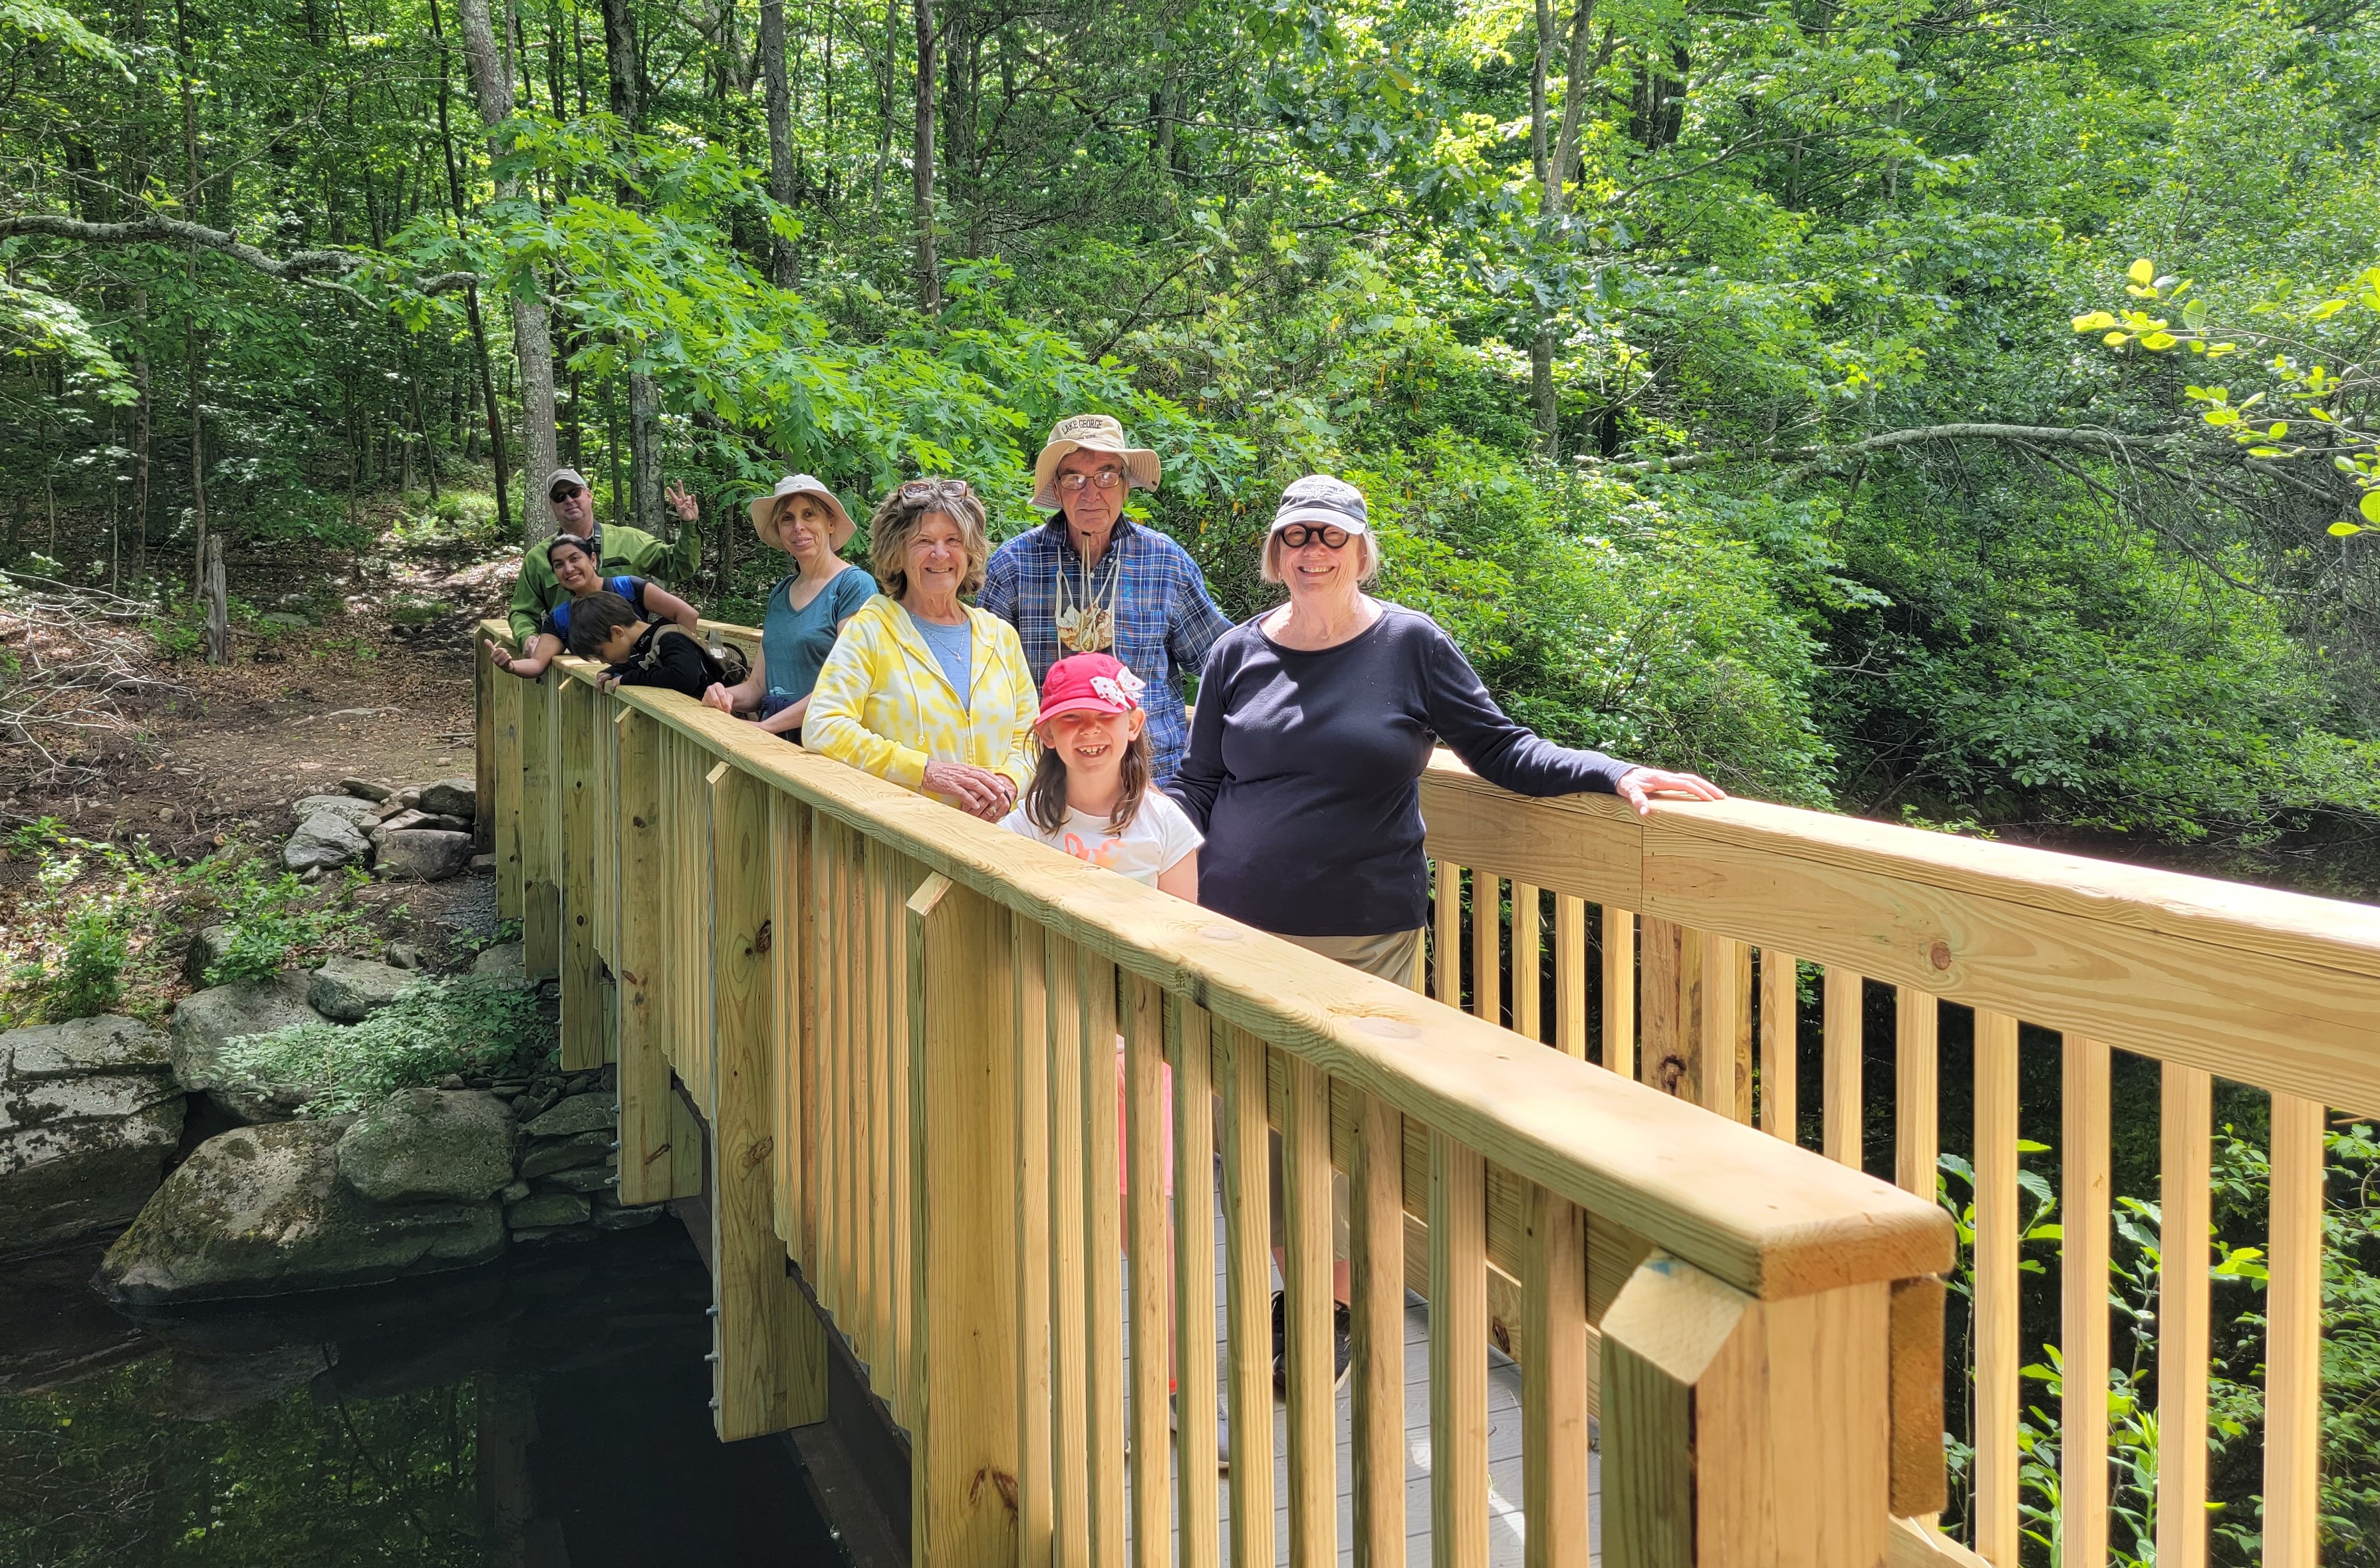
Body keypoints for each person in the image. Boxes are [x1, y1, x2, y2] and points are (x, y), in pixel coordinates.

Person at [1170, 473, 1728, 1392]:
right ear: (1273, 554)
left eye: (1330, 537)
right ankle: (1290, 1290)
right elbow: (1197, 786)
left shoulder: (1407, 644)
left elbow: (1502, 748)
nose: (1312, 553)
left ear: (1358, 550)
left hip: (1363, 931)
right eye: (1295, 537)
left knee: (1346, 1131)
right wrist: (1127, 849)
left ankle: (1335, 1308)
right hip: (1236, 931)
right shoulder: (1236, 652)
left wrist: (1611, 770)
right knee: (1254, 1129)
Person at [1000, 651, 1198, 1429]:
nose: (1089, 734)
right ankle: (1064, 1385)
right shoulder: (1022, 825)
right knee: (1056, 1213)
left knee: (1149, 1218)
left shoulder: (1164, 822)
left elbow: (1191, 942)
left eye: (1103, 718)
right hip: (1052, 1038)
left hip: (1142, 1048)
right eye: (1071, 720)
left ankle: (1173, 1387)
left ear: (1134, 724)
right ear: (1047, 736)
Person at [979, 414, 1230, 787]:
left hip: (1153, 779)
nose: (1091, 493)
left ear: (1126, 486)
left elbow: (1219, 660)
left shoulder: (1164, 560)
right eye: (1074, 478)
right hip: (1047, 778)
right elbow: (983, 676)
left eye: (1107, 476)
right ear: (1057, 488)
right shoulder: (1016, 564)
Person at [804, 479, 1037, 821]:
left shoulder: (999, 635)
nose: (940, 554)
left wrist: (1009, 783)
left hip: (997, 839)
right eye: (924, 541)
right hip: (903, 843)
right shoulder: (871, 629)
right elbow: (823, 726)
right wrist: (926, 771)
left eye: (953, 541)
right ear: (897, 553)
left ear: (970, 552)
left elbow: (1032, 738)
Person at [700, 475, 874, 742]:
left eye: (809, 515)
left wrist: (767, 727)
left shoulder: (854, 585)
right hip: (777, 736)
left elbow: (848, 685)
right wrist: (725, 695)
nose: (798, 527)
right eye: (787, 519)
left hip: (826, 740)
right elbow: (759, 686)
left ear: (830, 523)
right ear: (780, 531)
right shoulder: (780, 593)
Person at [505, 466, 703, 646]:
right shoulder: (538, 558)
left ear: (589, 495)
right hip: (571, 660)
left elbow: (679, 567)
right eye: (559, 497)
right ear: (552, 505)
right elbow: (522, 612)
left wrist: (689, 526)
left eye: (574, 492)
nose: (568, 500)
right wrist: (528, 638)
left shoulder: (629, 540)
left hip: (632, 657)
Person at [485, 533, 698, 680]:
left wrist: (680, 659)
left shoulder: (627, 587)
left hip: (663, 682)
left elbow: (686, 614)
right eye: (559, 565)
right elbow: (537, 664)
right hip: (607, 696)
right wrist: (511, 666)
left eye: (575, 559)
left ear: (593, 560)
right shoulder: (561, 618)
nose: (569, 569)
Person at [565, 590, 722, 700]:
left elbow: (684, 677)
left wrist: (628, 678)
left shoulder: (671, 638)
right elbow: (641, 662)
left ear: (617, 632)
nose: (602, 661)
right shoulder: (647, 643)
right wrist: (615, 671)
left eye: (601, 653)